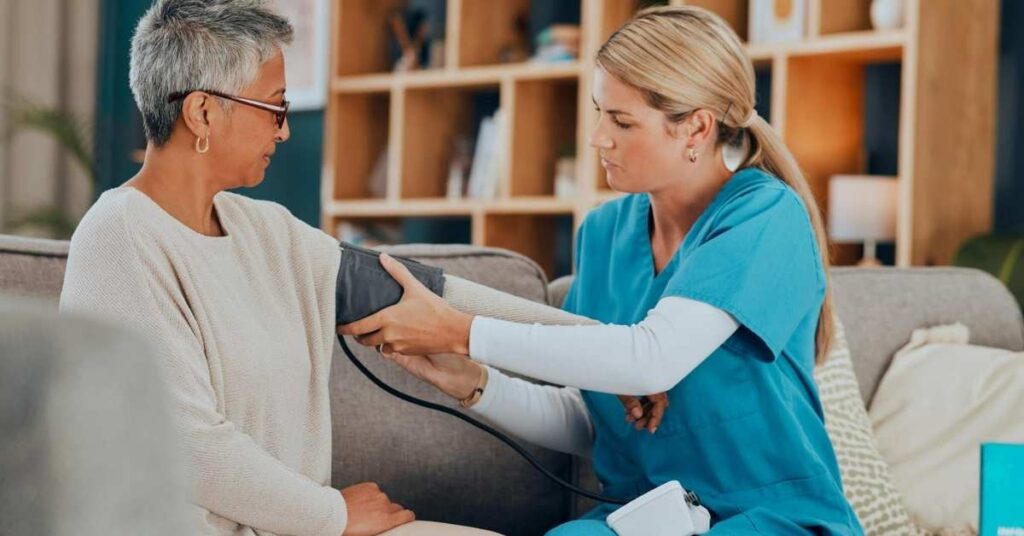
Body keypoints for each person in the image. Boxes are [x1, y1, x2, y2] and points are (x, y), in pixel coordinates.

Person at [339, 5, 864, 535]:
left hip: (770, 520)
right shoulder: (604, 233)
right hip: (645, 519)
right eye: (599, 112)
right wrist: (473, 382)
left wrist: (459, 332)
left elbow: (650, 359)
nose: (597, 138)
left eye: (621, 121)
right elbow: (590, 420)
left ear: (696, 129)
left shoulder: (764, 217)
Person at [59, 1, 497, 535]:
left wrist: (612, 353)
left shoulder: (263, 229)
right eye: (274, 107)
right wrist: (332, 514)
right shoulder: (119, 237)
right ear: (202, 112)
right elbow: (184, 443)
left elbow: (422, 293)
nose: (284, 132)